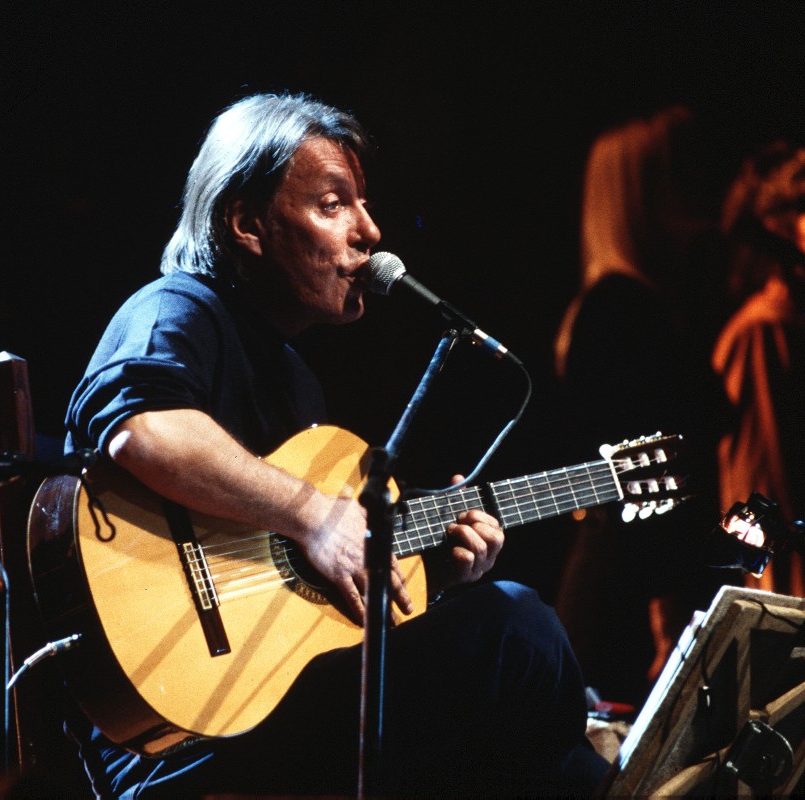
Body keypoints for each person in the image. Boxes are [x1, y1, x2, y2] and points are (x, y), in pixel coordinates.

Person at [63, 93, 608, 797]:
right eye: (332, 205)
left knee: (510, 706)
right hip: (170, 744)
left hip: (261, 702)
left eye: (365, 206)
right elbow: (140, 430)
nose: (371, 231)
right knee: (517, 629)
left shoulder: (294, 382)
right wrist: (314, 513)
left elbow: (301, 611)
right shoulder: (178, 309)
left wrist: (428, 575)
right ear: (247, 223)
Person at [551, 108, 731, 707]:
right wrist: (667, 616)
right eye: (677, 175)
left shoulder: (630, 304)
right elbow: (639, 480)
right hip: (634, 601)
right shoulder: (623, 311)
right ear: (644, 194)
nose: (699, 189)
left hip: (644, 585)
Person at [712, 142, 805, 597]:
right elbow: (762, 486)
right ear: (777, 223)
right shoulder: (764, 330)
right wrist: (788, 610)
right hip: (798, 593)